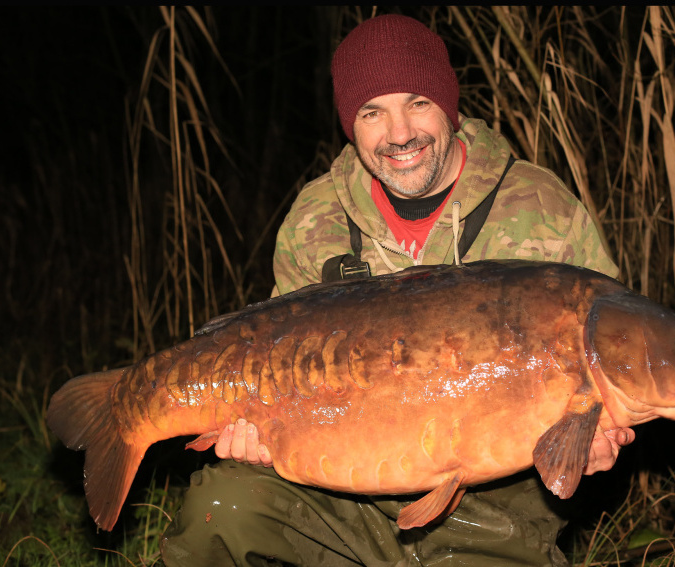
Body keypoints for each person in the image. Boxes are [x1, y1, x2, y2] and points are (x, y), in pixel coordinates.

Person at [160, 14, 634, 567]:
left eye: (417, 103)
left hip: (497, 509)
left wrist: (595, 444)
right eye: (372, 112)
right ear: (349, 123)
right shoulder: (317, 218)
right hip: (337, 494)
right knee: (222, 508)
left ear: (448, 106)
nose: (400, 133)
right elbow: (273, 366)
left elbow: (610, 360)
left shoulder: (540, 207)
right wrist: (255, 434)